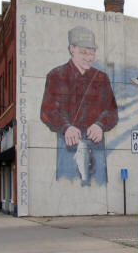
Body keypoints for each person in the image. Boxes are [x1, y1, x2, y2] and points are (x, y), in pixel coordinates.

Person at [40, 26, 118, 185]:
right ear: (72, 49)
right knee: (66, 186)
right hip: (68, 145)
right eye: (84, 52)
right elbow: (47, 111)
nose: (89, 57)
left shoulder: (101, 78)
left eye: (92, 53)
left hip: (96, 145)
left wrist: (100, 125)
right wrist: (66, 127)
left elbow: (112, 111)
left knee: (99, 187)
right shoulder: (56, 75)